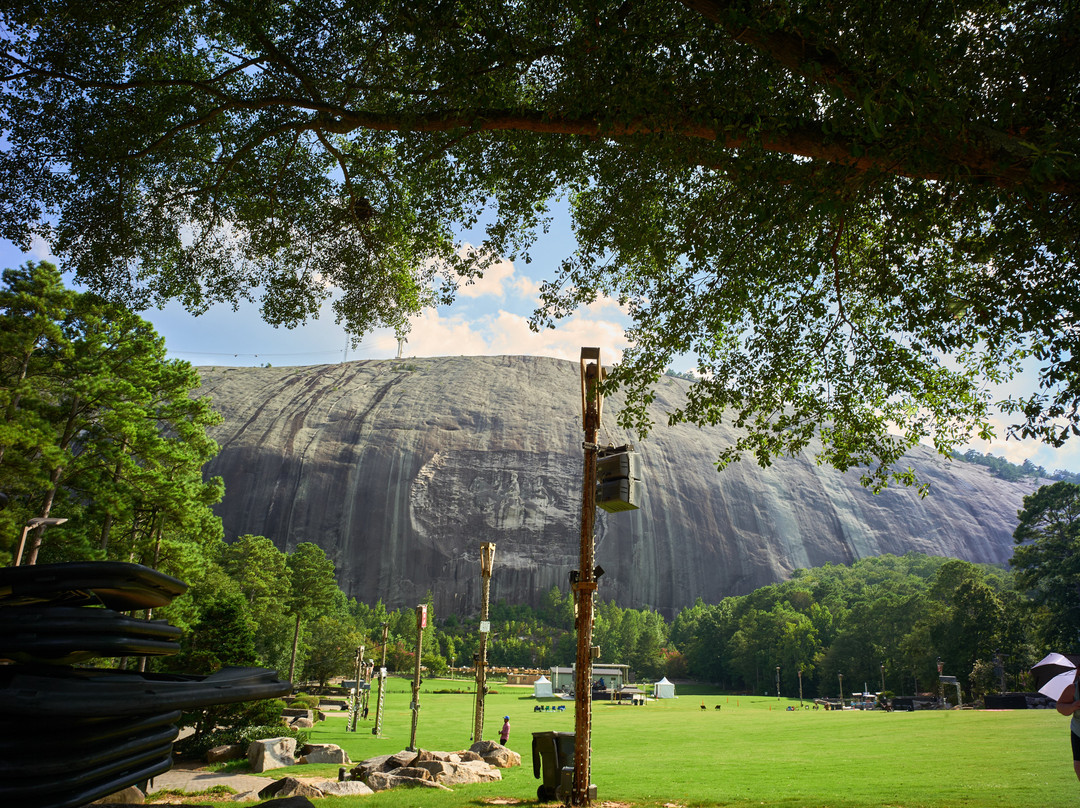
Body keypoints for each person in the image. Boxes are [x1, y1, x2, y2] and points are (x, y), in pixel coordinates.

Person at [1057, 671, 1080, 783]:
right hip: (1078, 731)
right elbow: (1060, 707)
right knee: (1078, 766)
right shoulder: (1072, 689)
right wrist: (1073, 706)